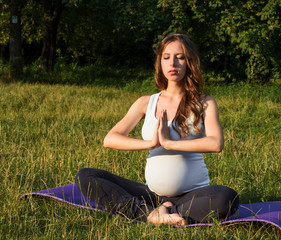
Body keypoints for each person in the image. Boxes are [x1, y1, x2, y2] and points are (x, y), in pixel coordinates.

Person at [75, 33, 239, 226]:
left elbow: (216, 143)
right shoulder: (146, 102)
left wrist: (169, 143)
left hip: (192, 196)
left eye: (180, 57)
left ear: (190, 62)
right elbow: (110, 139)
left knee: (227, 198)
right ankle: (151, 213)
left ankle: (165, 211)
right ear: (160, 62)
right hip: (151, 195)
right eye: (166, 57)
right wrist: (151, 143)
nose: (173, 63)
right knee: (86, 176)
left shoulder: (204, 103)